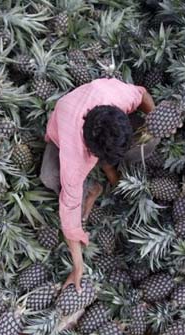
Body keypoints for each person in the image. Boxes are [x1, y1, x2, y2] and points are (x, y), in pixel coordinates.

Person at [40, 78, 157, 292]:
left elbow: (142, 93)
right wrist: (78, 266)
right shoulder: (75, 159)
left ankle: (111, 169)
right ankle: (94, 187)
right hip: (63, 133)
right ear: (91, 153)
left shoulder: (116, 96)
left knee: (148, 141)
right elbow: (70, 212)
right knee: (49, 177)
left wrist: (158, 120)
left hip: (94, 120)